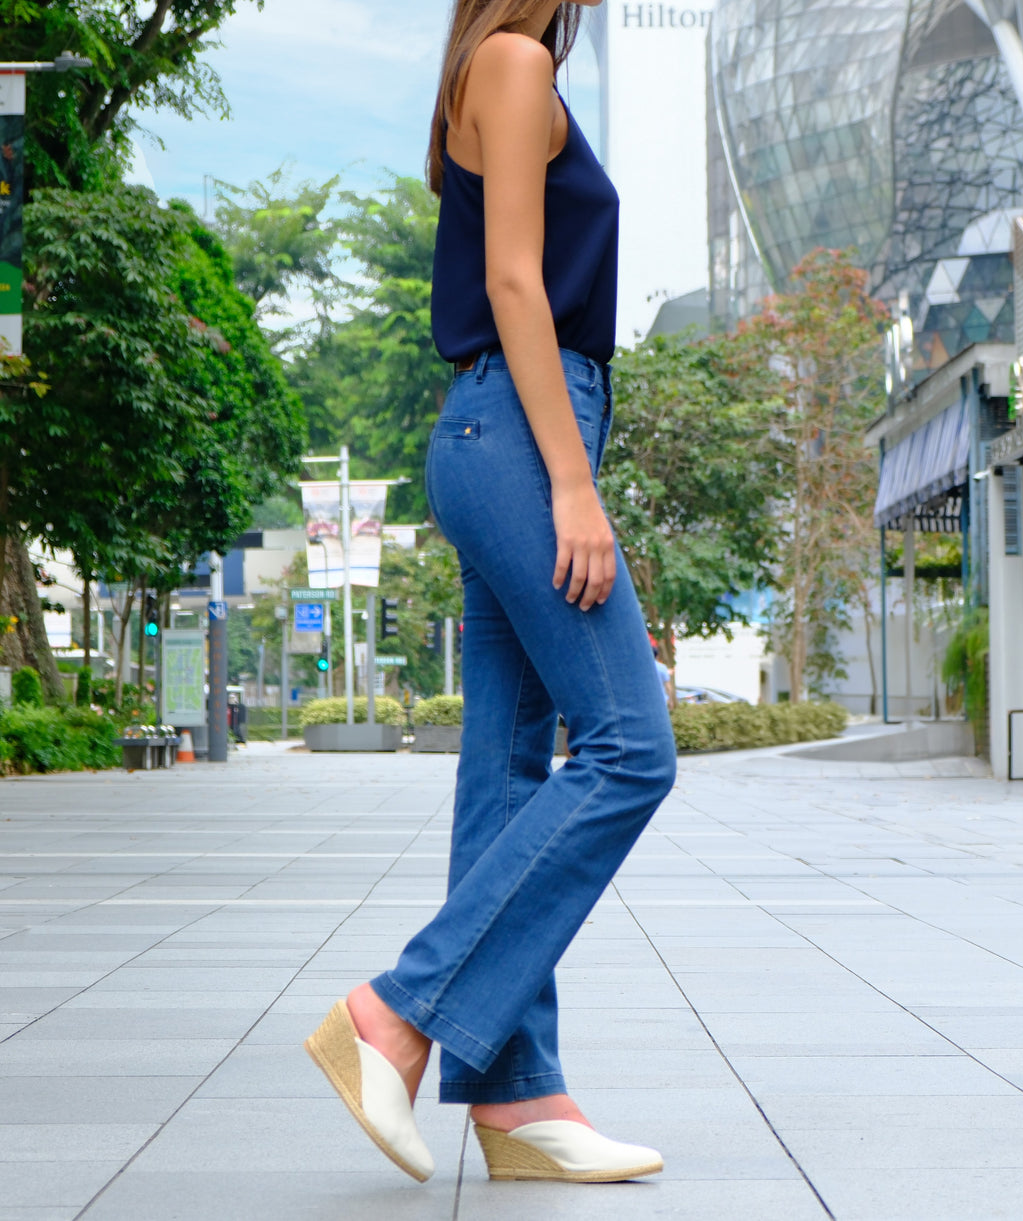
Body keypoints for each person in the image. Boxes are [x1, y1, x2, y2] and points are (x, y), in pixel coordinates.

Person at [304, 0, 676, 1187]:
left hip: (506, 428)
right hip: (520, 430)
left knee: (509, 770)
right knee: (630, 747)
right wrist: (573, 484)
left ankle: (519, 1102)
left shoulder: (490, 66)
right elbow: (516, 282)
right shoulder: (512, 61)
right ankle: (396, 1013)